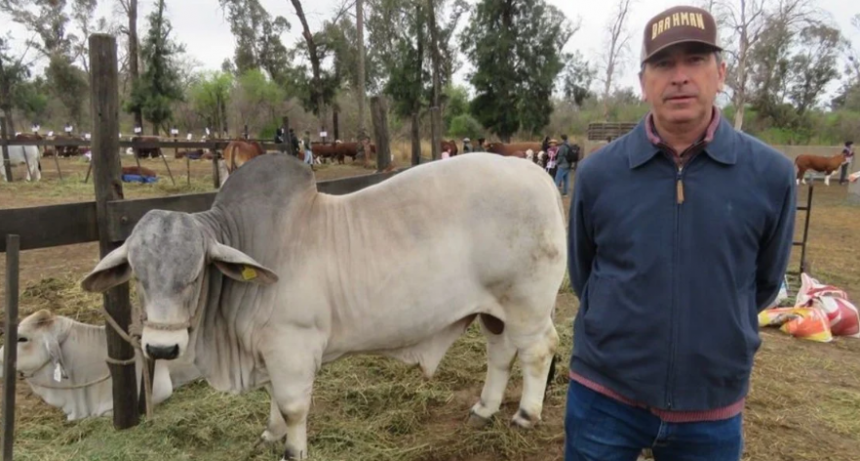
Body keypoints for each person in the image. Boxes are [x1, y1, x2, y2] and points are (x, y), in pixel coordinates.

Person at [565, 6, 796, 461]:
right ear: (643, 81)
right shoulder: (598, 175)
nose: (680, 77)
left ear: (721, 72)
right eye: (664, 64)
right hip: (604, 398)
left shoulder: (770, 175)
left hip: (711, 405)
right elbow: (583, 273)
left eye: (695, 60)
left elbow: (764, 283)